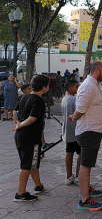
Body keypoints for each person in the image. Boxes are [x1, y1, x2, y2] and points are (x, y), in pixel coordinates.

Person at [67, 61, 102, 211]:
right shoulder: (89, 86)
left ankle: (87, 189)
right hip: (89, 131)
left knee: (88, 163)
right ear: (97, 71)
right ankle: (84, 199)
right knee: (85, 164)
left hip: (93, 130)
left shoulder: (94, 84)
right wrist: (75, 116)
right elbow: (81, 109)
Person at [12, 74, 50, 202]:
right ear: (44, 87)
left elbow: (14, 111)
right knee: (26, 165)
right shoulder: (38, 100)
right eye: (48, 85)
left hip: (20, 136)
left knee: (33, 162)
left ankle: (38, 186)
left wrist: (17, 122)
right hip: (30, 137)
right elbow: (32, 118)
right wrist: (20, 124)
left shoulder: (24, 97)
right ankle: (20, 194)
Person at [61, 79, 81, 185]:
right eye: (76, 87)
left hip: (67, 131)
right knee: (81, 154)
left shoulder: (64, 99)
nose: (78, 89)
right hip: (75, 131)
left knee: (69, 152)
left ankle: (69, 176)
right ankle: (78, 176)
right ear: (70, 88)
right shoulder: (74, 99)